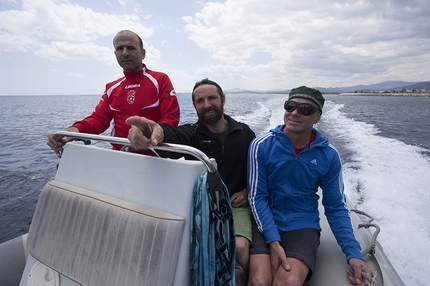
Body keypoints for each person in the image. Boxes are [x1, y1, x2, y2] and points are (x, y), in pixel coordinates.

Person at [126, 78, 256, 284]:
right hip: (201, 207)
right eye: (199, 100)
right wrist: (150, 130)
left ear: (223, 99)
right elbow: (170, 134)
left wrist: (248, 191)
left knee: (239, 248)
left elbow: (259, 170)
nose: (206, 104)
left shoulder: (244, 133)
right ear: (194, 106)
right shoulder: (192, 135)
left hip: (234, 204)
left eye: (212, 98)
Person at [247, 86, 373, 286]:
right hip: (265, 218)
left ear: (317, 117)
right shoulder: (261, 145)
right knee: (260, 281)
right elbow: (257, 197)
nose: (295, 113)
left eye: (305, 109)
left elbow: (335, 207)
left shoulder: (328, 155)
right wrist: (273, 241)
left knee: (288, 282)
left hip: (303, 223)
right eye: (291, 106)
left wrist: (353, 253)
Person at [47, 29, 180, 155]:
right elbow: (99, 119)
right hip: (120, 155)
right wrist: (73, 131)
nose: (125, 53)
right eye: (119, 48)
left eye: (131, 48)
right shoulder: (112, 87)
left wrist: (151, 134)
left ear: (143, 53)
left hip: (156, 156)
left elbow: (171, 118)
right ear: (115, 54)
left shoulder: (160, 80)